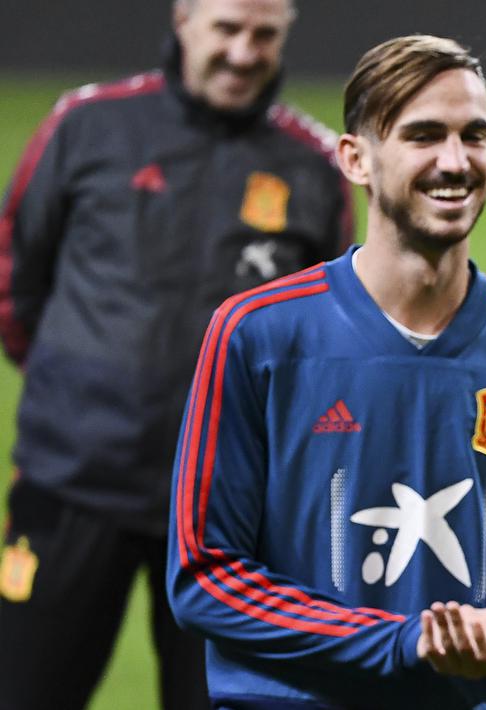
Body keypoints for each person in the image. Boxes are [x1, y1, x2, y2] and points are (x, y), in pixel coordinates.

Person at [166, 34, 486, 708]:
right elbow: (205, 575)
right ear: (355, 158)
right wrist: (399, 643)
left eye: (474, 135)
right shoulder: (258, 333)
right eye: (424, 136)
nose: (455, 162)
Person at [0, 0, 351, 706]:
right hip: (70, 487)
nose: (245, 52)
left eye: (265, 34)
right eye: (227, 29)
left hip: (224, 516)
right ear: (184, 18)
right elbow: (15, 282)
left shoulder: (312, 166)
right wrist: (80, 389)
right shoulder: (87, 125)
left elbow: (326, 337)